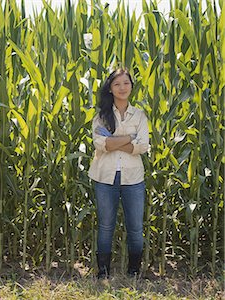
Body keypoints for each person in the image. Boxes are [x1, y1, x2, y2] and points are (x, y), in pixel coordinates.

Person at [88, 68, 149, 279]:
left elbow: (143, 147)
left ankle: (133, 271)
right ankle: (103, 272)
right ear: (110, 89)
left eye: (126, 83)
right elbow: (100, 144)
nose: (122, 88)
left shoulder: (139, 115)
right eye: (117, 84)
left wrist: (114, 141)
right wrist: (129, 138)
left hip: (133, 178)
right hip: (105, 177)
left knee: (135, 227)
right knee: (106, 226)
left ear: (131, 86)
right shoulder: (101, 116)